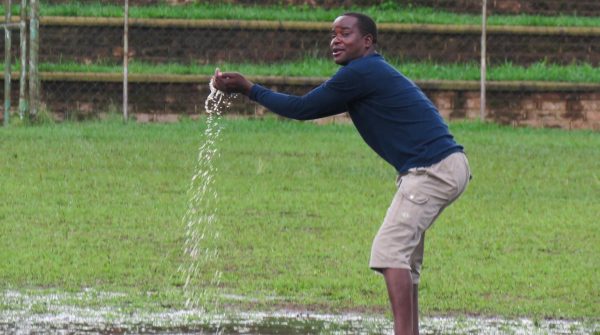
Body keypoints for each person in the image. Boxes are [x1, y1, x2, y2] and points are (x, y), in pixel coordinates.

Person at [213, 12, 470, 335]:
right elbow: (309, 107)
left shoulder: (361, 72)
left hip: (432, 170)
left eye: (345, 34)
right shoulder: (367, 73)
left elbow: (302, 109)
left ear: (367, 42)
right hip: (444, 165)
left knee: (389, 252)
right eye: (333, 35)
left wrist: (249, 89)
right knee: (404, 259)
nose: (336, 40)